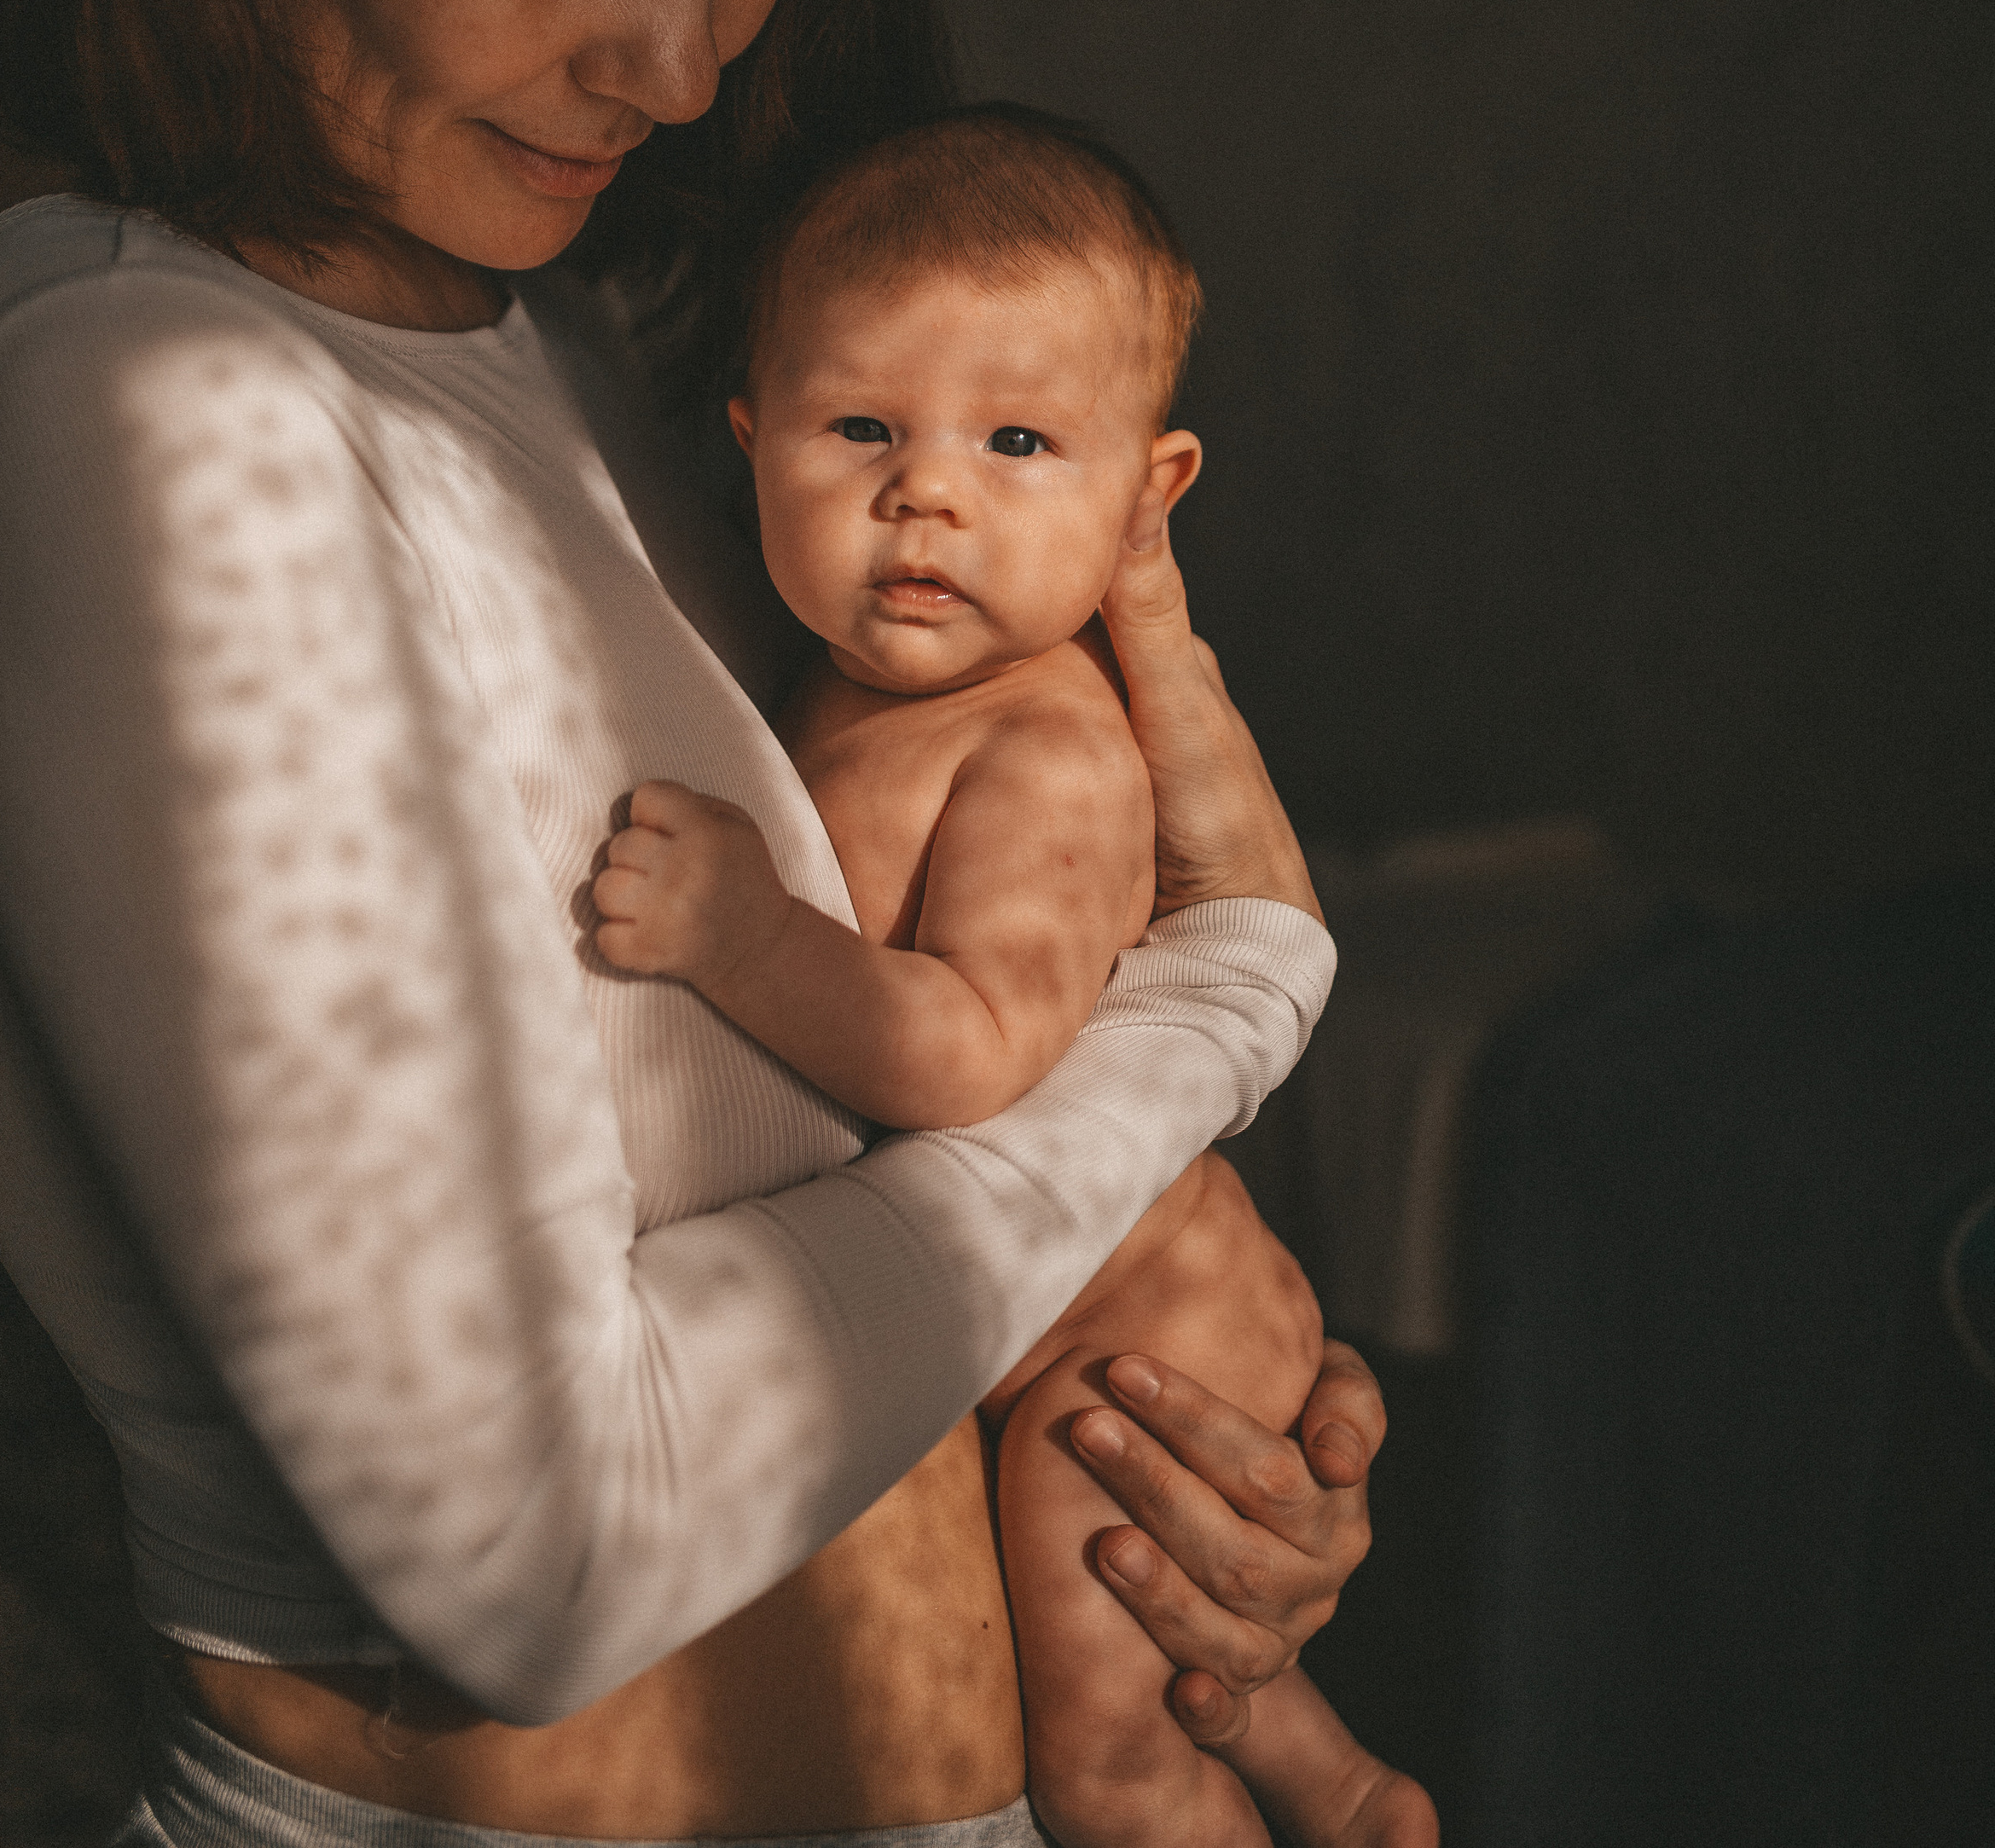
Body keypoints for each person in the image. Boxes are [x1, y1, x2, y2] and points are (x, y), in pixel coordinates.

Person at [0, 0, 1383, 1848]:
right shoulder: (129, 420)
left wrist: (1170, 1421)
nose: (678, 58)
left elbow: (831, 1209)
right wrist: (1205, 1025)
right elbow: (534, 1553)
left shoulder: (517, 329)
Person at [597, 106, 1436, 1848]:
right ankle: (1337, 1788)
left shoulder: (1046, 745)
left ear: (1149, 493)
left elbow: (976, 1049)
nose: (927, 491)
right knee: (1164, 1665)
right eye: (856, 429)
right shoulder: (836, 682)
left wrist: (748, 935)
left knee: (1109, 1763)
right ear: (747, 441)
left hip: (1126, 1337)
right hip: (1037, 1322)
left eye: (1019, 438)